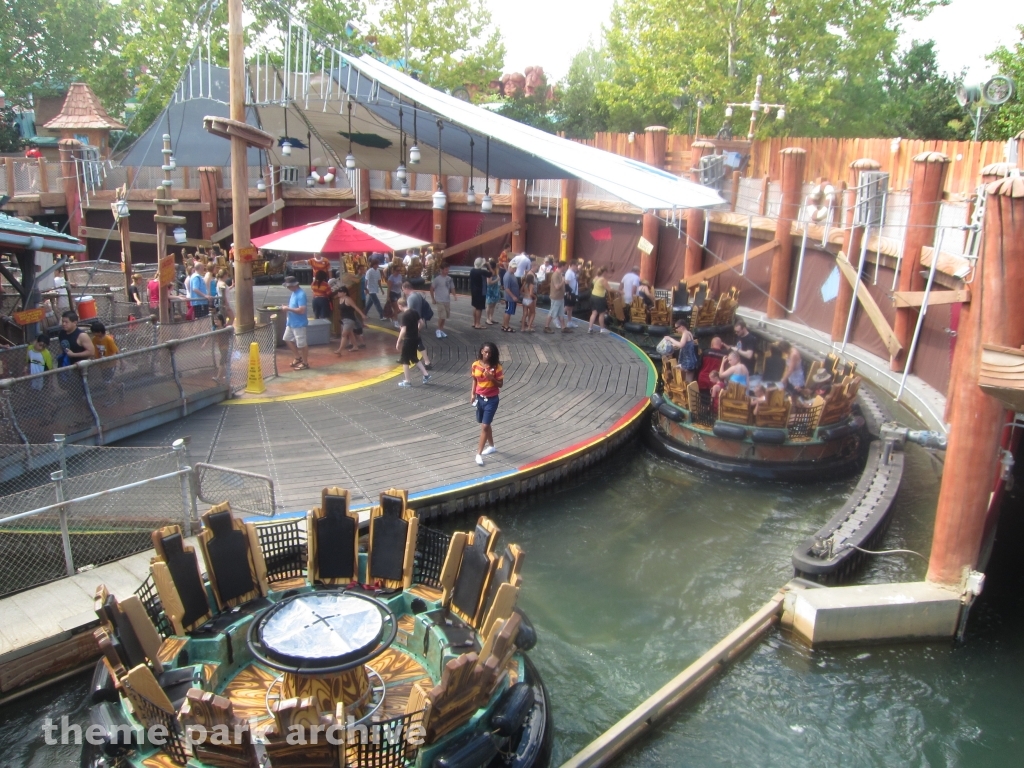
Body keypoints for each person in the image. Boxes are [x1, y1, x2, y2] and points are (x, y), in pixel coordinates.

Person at [471, 341, 504, 466]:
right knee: (485, 423)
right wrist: (472, 394)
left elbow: (500, 384)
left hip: (492, 399)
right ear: (481, 351)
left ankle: (478, 454)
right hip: (480, 398)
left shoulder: (496, 367)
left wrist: (492, 378)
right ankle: (491, 446)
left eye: (490, 353)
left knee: (484, 426)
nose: (487, 355)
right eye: (485, 352)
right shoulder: (475, 365)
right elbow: (474, 379)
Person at [396, 303, 430, 387]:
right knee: (413, 357)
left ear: (400, 305)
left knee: (405, 360)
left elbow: (403, 330)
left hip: (408, 339)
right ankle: (426, 374)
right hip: (416, 338)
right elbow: (421, 322)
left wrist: (398, 341)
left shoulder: (404, 316)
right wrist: (417, 330)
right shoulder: (414, 312)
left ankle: (407, 381)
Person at [401, 282, 434, 368]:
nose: (403, 292)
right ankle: (425, 361)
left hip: (413, 323)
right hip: (418, 320)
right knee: (418, 343)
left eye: (403, 290)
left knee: (418, 343)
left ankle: (425, 362)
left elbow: (409, 312)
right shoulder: (418, 295)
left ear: (406, 288)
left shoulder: (411, 298)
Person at [282, 276, 310, 370]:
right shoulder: (294, 293)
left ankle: (305, 363)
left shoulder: (301, 294)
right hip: (291, 322)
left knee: (301, 344)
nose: (288, 288)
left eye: (289, 286)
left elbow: (302, 310)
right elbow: (294, 306)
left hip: (299, 323)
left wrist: (288, 308)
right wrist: (288, 307)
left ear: (295, 285)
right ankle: (297, 357)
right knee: (287, 339)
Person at [333, 286, 367, 354]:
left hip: (350, 319)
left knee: (344, 334)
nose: (338, 293)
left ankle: (340, 350)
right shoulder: (340, 299)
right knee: (350, 333)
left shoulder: (348, 299)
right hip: (344, 319)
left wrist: (362, 315)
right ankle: (355, 346)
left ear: (345, 293)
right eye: (338, 292)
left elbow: (355, 307)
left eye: (340, 292)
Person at [430, 264, 456, 338]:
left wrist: (454, 295)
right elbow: (431, 288)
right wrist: (433, 298)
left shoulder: (449, 278)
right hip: (439, 299)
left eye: (448, 269)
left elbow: (452, 288)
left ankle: (441, 330)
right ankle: (438, 330)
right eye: (446, 269)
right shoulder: (437, 279)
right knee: (442, 316)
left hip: (447, 300)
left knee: (445, 316)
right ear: (441, 270)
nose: (447, 271)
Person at [545, 261, 571, 333]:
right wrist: (563, 281)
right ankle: (546, 326)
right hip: (555, 297)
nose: (566, 268)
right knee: (552, 312)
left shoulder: (560, 274)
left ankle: (563, 327)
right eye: (565, 266)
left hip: (560, 297)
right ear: (562, 266)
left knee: (561, 313)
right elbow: (557, 287)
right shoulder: (555, 275)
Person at [587, 266, 610, 334]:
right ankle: (602, 329)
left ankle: (590, 328)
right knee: (602, 313)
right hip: (599, 297)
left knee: (594, 313)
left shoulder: (596, 278)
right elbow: (609, 289)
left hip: (593, 296)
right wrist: (619, 291)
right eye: (607, 272)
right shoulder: (603, 279)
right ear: (605, 272)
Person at [501, 264, 520, 333]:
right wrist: (513, 296)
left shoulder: (512, 275)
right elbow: (507, 288)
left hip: (512, 297)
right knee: (508, 311)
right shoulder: (508, 276)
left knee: (508, 311)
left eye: (516, 268)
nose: (515, 269)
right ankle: (506, 326)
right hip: (510, 298)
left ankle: (504, 324)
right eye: (514, 268)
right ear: (510, 267)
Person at [469, 258, 488, 329]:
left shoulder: (472, 270)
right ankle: (478, 323)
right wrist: (488, 265)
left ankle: (474, 322)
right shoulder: (482, 272)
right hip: (481, 291)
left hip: (474, 291)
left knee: (475, 306)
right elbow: (491, 273)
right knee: (479, 308)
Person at [485, 260, 501, 325]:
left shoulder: (495, 272)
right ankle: (488, 318)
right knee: (489, 305)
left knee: (493, 305)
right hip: (490, 290)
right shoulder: (489, 273)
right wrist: (497, 280)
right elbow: (489, 283)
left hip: (495, 290)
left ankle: (491, 317)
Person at [564, 261, 580, 328]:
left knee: (570, 307)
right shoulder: (569, 273)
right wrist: (569, 293)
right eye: (576, 266)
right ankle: (557, 318)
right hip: (570, 293)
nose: (576, 267)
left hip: (574, 292)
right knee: (567, 307)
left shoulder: (573, 273)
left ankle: (569, 322)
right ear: (572, 265)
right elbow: (566, 283)